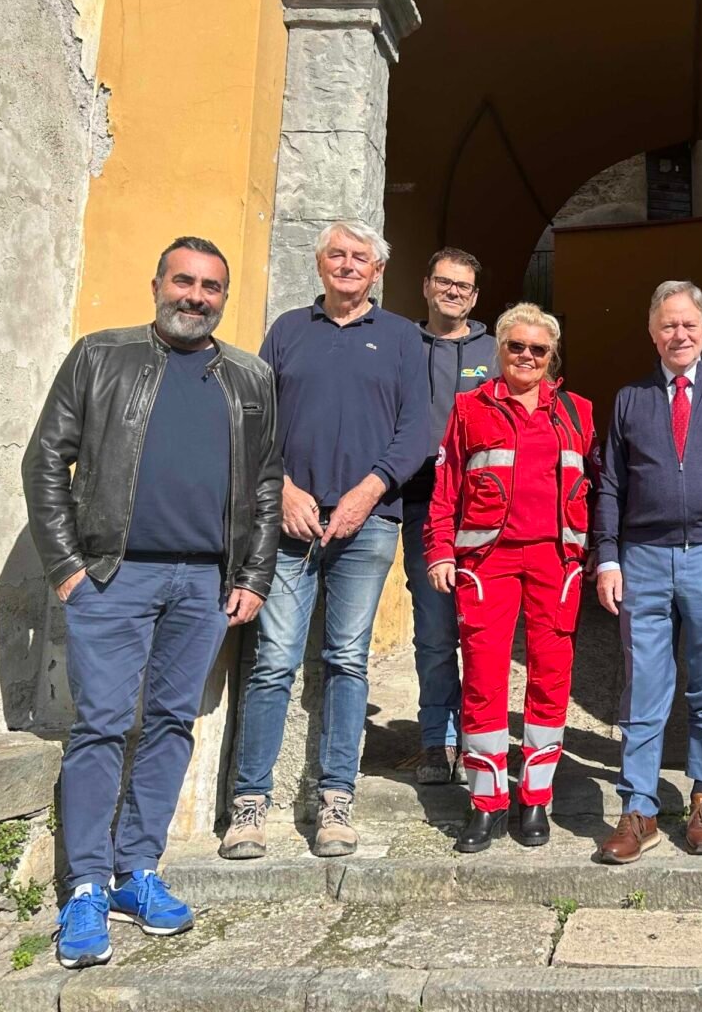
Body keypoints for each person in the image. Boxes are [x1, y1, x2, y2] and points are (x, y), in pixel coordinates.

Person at [22, 237, 281, 969]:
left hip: (203, 583)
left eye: (210, 288)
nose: (195, 296)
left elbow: (266, 482)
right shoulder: (101, 356)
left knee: (171, 724)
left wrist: (253, 574)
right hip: (113, 576)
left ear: (223, 298)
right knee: (101, 726)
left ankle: (137, 871)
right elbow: (46, 457)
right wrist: (67, 566)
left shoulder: (250, 377)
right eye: (184, 281)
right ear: (158, 282)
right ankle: (84, 887)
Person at [221, 221, 429, 861]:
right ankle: (249, 804)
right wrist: (280, 487)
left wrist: (370, 492)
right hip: (290, 524)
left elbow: (417, 429)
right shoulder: (287, 330)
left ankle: (336, 800)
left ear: (377, 271)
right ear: (320, 266)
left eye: (359, 258)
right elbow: (259, 419)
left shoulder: (401, 338)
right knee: (273, 661)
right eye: (336, 255)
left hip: (367, 528)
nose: (347, 265)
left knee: (346, 659)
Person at [593, 282, 702, 863]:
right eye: (668, 325)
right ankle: (639, 806)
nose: (679, 335)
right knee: (644, 680)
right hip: (643, 555)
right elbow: (611, 485)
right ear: (652, 332)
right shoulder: (630, 399)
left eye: (689, 324)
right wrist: (609, 556)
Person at [426, 303, 598, 853]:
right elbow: (447, 485)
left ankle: (536, 798)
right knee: (483, 678)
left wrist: (594, 553)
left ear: (553, 355)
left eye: (538, 349)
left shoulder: (578, 411)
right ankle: (486, 801)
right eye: (515, 346)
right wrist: (439, 553)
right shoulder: (470, 407)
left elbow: (598, 486)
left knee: (551, 679)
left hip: (555, 563)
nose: (526, 356)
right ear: (498, 349)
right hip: (486, 565)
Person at [397, 248, 496, 786]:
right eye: (444, 282)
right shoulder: (400, 344)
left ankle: (481, 734)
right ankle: (438, 738)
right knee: (435, 631)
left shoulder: (496, 350)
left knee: (482, 629)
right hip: (420, 506)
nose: (453, 291)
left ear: (475, 296)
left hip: (484, 513)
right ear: (427, 286)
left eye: (463, 285)